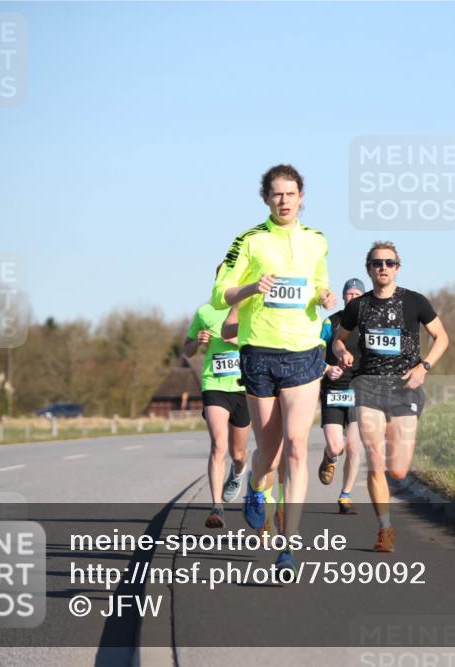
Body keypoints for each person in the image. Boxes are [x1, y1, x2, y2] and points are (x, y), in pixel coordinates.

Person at [212, 164, 336, 571]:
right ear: (266, 198)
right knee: (270, 452)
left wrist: (324, 295)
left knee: (298, 447)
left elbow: (318, 279)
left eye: (291, 193)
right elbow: (219, 294)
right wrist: (251, 288)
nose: (284, 201)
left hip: (304, 352)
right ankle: (253, 484)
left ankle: (289, 546)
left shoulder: (317, 241)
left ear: (302, 197)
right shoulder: (250, 241)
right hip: (260, 354)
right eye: (276, 194)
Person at [334, 241, 449, 553]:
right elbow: (338, 340)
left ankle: (392, 440)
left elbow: (442, 337)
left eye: (388, 262)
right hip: (367, 384)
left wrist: (425, 367)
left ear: (398, 267)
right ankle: (385, 529)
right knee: (374, 458)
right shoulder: (357, 307)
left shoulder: (415, 301)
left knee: (397, 470)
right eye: (376, 263)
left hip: (405, 387)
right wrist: (342, 351)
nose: (382, 267)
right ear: (368, 268)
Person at [182, 270, 249, 529]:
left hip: (243, 387)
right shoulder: (205, 312)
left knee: (238, 452)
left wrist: (238, 339)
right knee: (218, 445)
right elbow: (186, 349)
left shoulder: (251, 310)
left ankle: (239, 472)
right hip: (214, 384)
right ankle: (217, 507)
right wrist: (197, 342)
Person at [317, 278, 365, 514]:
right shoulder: (331, 322)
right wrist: (328, 370)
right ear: (344, 296)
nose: (353, 297)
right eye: (350, 293)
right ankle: (329, 457)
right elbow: (315, 353)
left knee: (354, 446)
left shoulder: (369, 326)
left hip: (360, 392)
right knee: (337, 446)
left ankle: (345, 495)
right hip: (334, 389)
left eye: (358, 293)